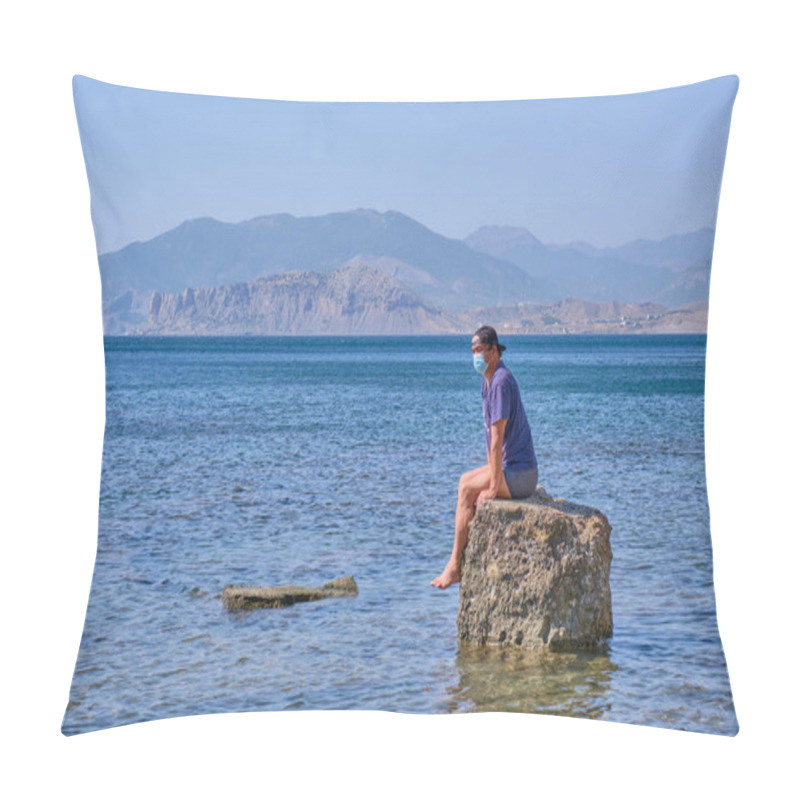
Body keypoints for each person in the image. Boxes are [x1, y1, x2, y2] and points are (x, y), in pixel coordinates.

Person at [431, 325, 538, 589]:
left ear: (493, 350)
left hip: (521, 473)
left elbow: (497, 438)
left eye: (479, 350)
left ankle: (455, 565)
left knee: (468, 488)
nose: (475, 356)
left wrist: (492, 487)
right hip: (508, 467)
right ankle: (458, 561)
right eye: (473, 351)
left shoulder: (501, 382)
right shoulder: (488, 380)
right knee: (464, 481)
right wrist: (492, 478)